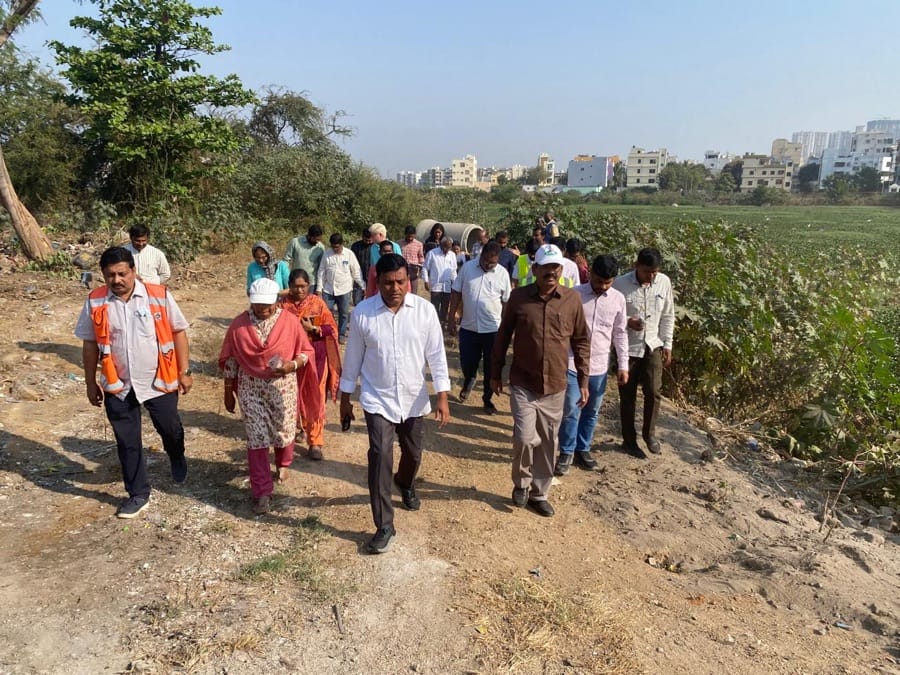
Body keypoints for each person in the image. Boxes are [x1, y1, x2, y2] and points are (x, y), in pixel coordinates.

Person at [340, 253, 451, 553]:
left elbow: (437, 356)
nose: (395, 288)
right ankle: (384, 524)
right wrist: (345, 399)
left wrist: (442, 395)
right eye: (388, 283)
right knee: (379, 455)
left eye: (401, 281)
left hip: (414, 398)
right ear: (378, 282)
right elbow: (352, 359)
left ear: (408, 280)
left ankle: (406, 481)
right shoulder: (363, 313)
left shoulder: (425, 312)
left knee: (413, 453)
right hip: (378, 398)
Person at [75, 246, 192, 519]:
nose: (116, 280)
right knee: (127, 442)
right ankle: (138, 494)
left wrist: (184, 371)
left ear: (133, 271)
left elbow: (178, 332)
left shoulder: (158, 296)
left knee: (170, 427)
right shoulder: (95, 301)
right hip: (118, 384)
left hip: (158, 379)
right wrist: (90, 382)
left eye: (121, 273)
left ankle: (176, 453)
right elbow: (90, 344)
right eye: (110, 275)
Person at [491, 244, 590, 518]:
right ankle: (521, 483)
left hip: (556, 385)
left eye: (555, 268)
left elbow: (581, 340)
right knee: (524, 437)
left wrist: (583, 379)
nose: (551, 272)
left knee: (548, 442)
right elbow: (503, 336)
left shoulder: (571, 300)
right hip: (523, 381)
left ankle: (539, 493)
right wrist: (494, 372)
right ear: (535, 269)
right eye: (546, 267)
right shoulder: (519, 298)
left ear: (561, 269)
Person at [219, 278, 317, 514]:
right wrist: (228, 391)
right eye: (258, 304)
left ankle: (283, 462)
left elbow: (306, 352)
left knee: (283, 429)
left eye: (268, 304)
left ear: (276, 301)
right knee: (257, 437)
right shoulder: (239, 326)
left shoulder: (290, 322)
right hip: (250, 388)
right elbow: (231, 359)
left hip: (283, 385)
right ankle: (262, 491)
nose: (263, 309)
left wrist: (291, 365)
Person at [555, 255, 629, 476]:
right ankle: (566, 451)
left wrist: (623, 365)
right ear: (591, 275)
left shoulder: (618, 300)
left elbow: (620, 333)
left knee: (592, 411)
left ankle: (583, 449)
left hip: (599, 365)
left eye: (608, 282)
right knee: (571, 408)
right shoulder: (574, 295)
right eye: (599, 281)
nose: (603, 287)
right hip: (572, 363)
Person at [612, 247, 675, 458]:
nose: (651, 276)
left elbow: (668, 315)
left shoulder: (663, 282)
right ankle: (629, 441)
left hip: (652, 345)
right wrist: (628, 322)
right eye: (647, 271)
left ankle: (649, 434)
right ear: (636, 265)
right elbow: (612, 315)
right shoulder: (620, 284)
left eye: (655, 272)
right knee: (628, 396)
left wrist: (667, 344)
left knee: (653, 392)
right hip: (628, 348)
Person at [280, 269, 341, 461]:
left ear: (309, 285)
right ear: (289, 286)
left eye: (303, 286)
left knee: (315, 398)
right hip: (291, 361)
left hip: (316, 360)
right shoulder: (282, 306)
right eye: (295, 286)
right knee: (293, 397)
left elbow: (331, 328)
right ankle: (300, 428)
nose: (299, 290)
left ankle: (315, 442)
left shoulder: (317, 304)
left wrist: (313, 329)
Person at [447, 241, 510, 415]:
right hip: (468, 327)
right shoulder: (467, 268)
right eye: (486, 261)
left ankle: (487, 399)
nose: (489, 265)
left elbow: (506, 303)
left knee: (491, 366)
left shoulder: (502, 274)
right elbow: (456, 293)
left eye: (493, 263)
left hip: (492, 330)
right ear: (481, 256)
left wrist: (506, 328)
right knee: (467, 361)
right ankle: (469, 378)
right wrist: (451, 318)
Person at [316, 232, 363, 344]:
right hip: (328, 289)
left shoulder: (349, 254)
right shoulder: (327, 254)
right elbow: (321, 272)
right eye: (333, 247)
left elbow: (356, 271)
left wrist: (363, 285)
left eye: (337, 247)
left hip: (344, 289)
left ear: (342, 244)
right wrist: (319, 288)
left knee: (344, 314)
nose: (335, 249)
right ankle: (330, 334)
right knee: (327, 313)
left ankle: (341, 335)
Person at [422, 235, 457, 327]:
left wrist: (455, 284)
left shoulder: (452, 255)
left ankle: (442, 324)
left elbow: (453, 270)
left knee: (445, 306)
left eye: (448, 247)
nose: (446, 249)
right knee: (435, 306)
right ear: (441, 245)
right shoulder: (432, 253)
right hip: (436, 285)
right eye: (445, 246)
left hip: (448, 286)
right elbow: (425, 268)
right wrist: (426, 281)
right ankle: (434, 324)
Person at [283, 225, 326, 293]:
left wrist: (319, 286)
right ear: (309, 235)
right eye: (315, 239)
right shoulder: (295, 242)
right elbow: (285, 260)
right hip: (296, 282)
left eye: (318, 239)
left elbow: (321, 268)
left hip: (311, 283)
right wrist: (286, 277)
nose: (317, 241)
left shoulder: (320, 247)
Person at [350, 227, 373, 305]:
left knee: (371, 303)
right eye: (366, 240)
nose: (368, 242)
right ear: (362, 237)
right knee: (357, 302)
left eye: (370, 240)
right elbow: (351, 263)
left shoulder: (375, 247)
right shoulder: (355, 246)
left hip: (371, 279)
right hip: (358, 279)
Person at [399, 225, 425, 294]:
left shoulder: (419, 244)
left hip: (414, 272)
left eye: (412, 236)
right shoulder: (399, 243)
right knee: (402, 290)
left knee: (413, 292)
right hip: (402, 271)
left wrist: (420, 265)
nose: (410, 238)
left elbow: (421, 257)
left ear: (414, 235)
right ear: (405, 234)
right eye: (408, 236)